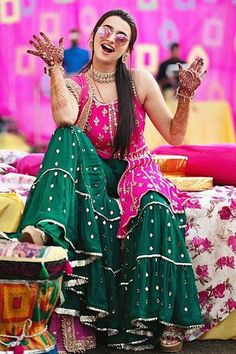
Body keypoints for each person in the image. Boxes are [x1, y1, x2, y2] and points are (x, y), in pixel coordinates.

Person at [9, 8, 206, 353]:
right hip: (95, 173)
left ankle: (161, 318)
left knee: (156, 206)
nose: (111, 39)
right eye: (106, 30)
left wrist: (185, 95)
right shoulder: (76, 84)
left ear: (127, 49)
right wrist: (56, 69)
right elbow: (65, 117)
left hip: (134, 166)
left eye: (121, 36)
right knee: (66, 134)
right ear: (93, 35)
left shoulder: (139, 81)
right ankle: (46, 226)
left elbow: (174, 136)